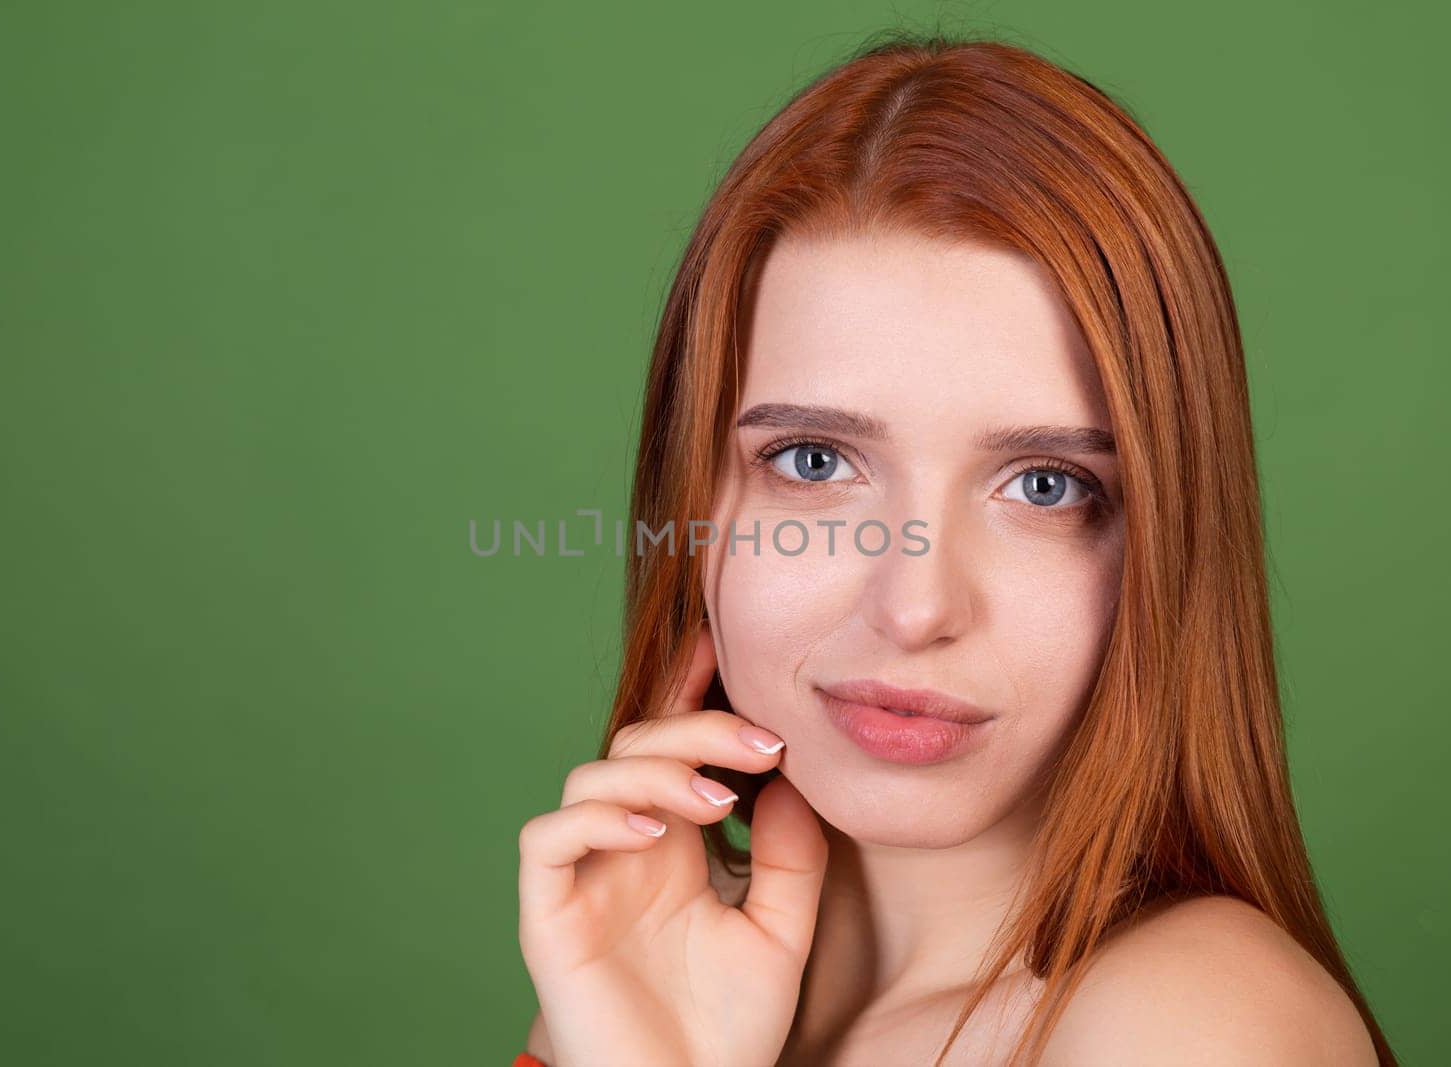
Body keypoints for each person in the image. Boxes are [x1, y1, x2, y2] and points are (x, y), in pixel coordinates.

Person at [514, 31, 1396, 1066]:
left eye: (1044, 486)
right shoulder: (655, 983)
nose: (915, 603)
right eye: (810, 461)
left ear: (1161, 546)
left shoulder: (1196, 1026)